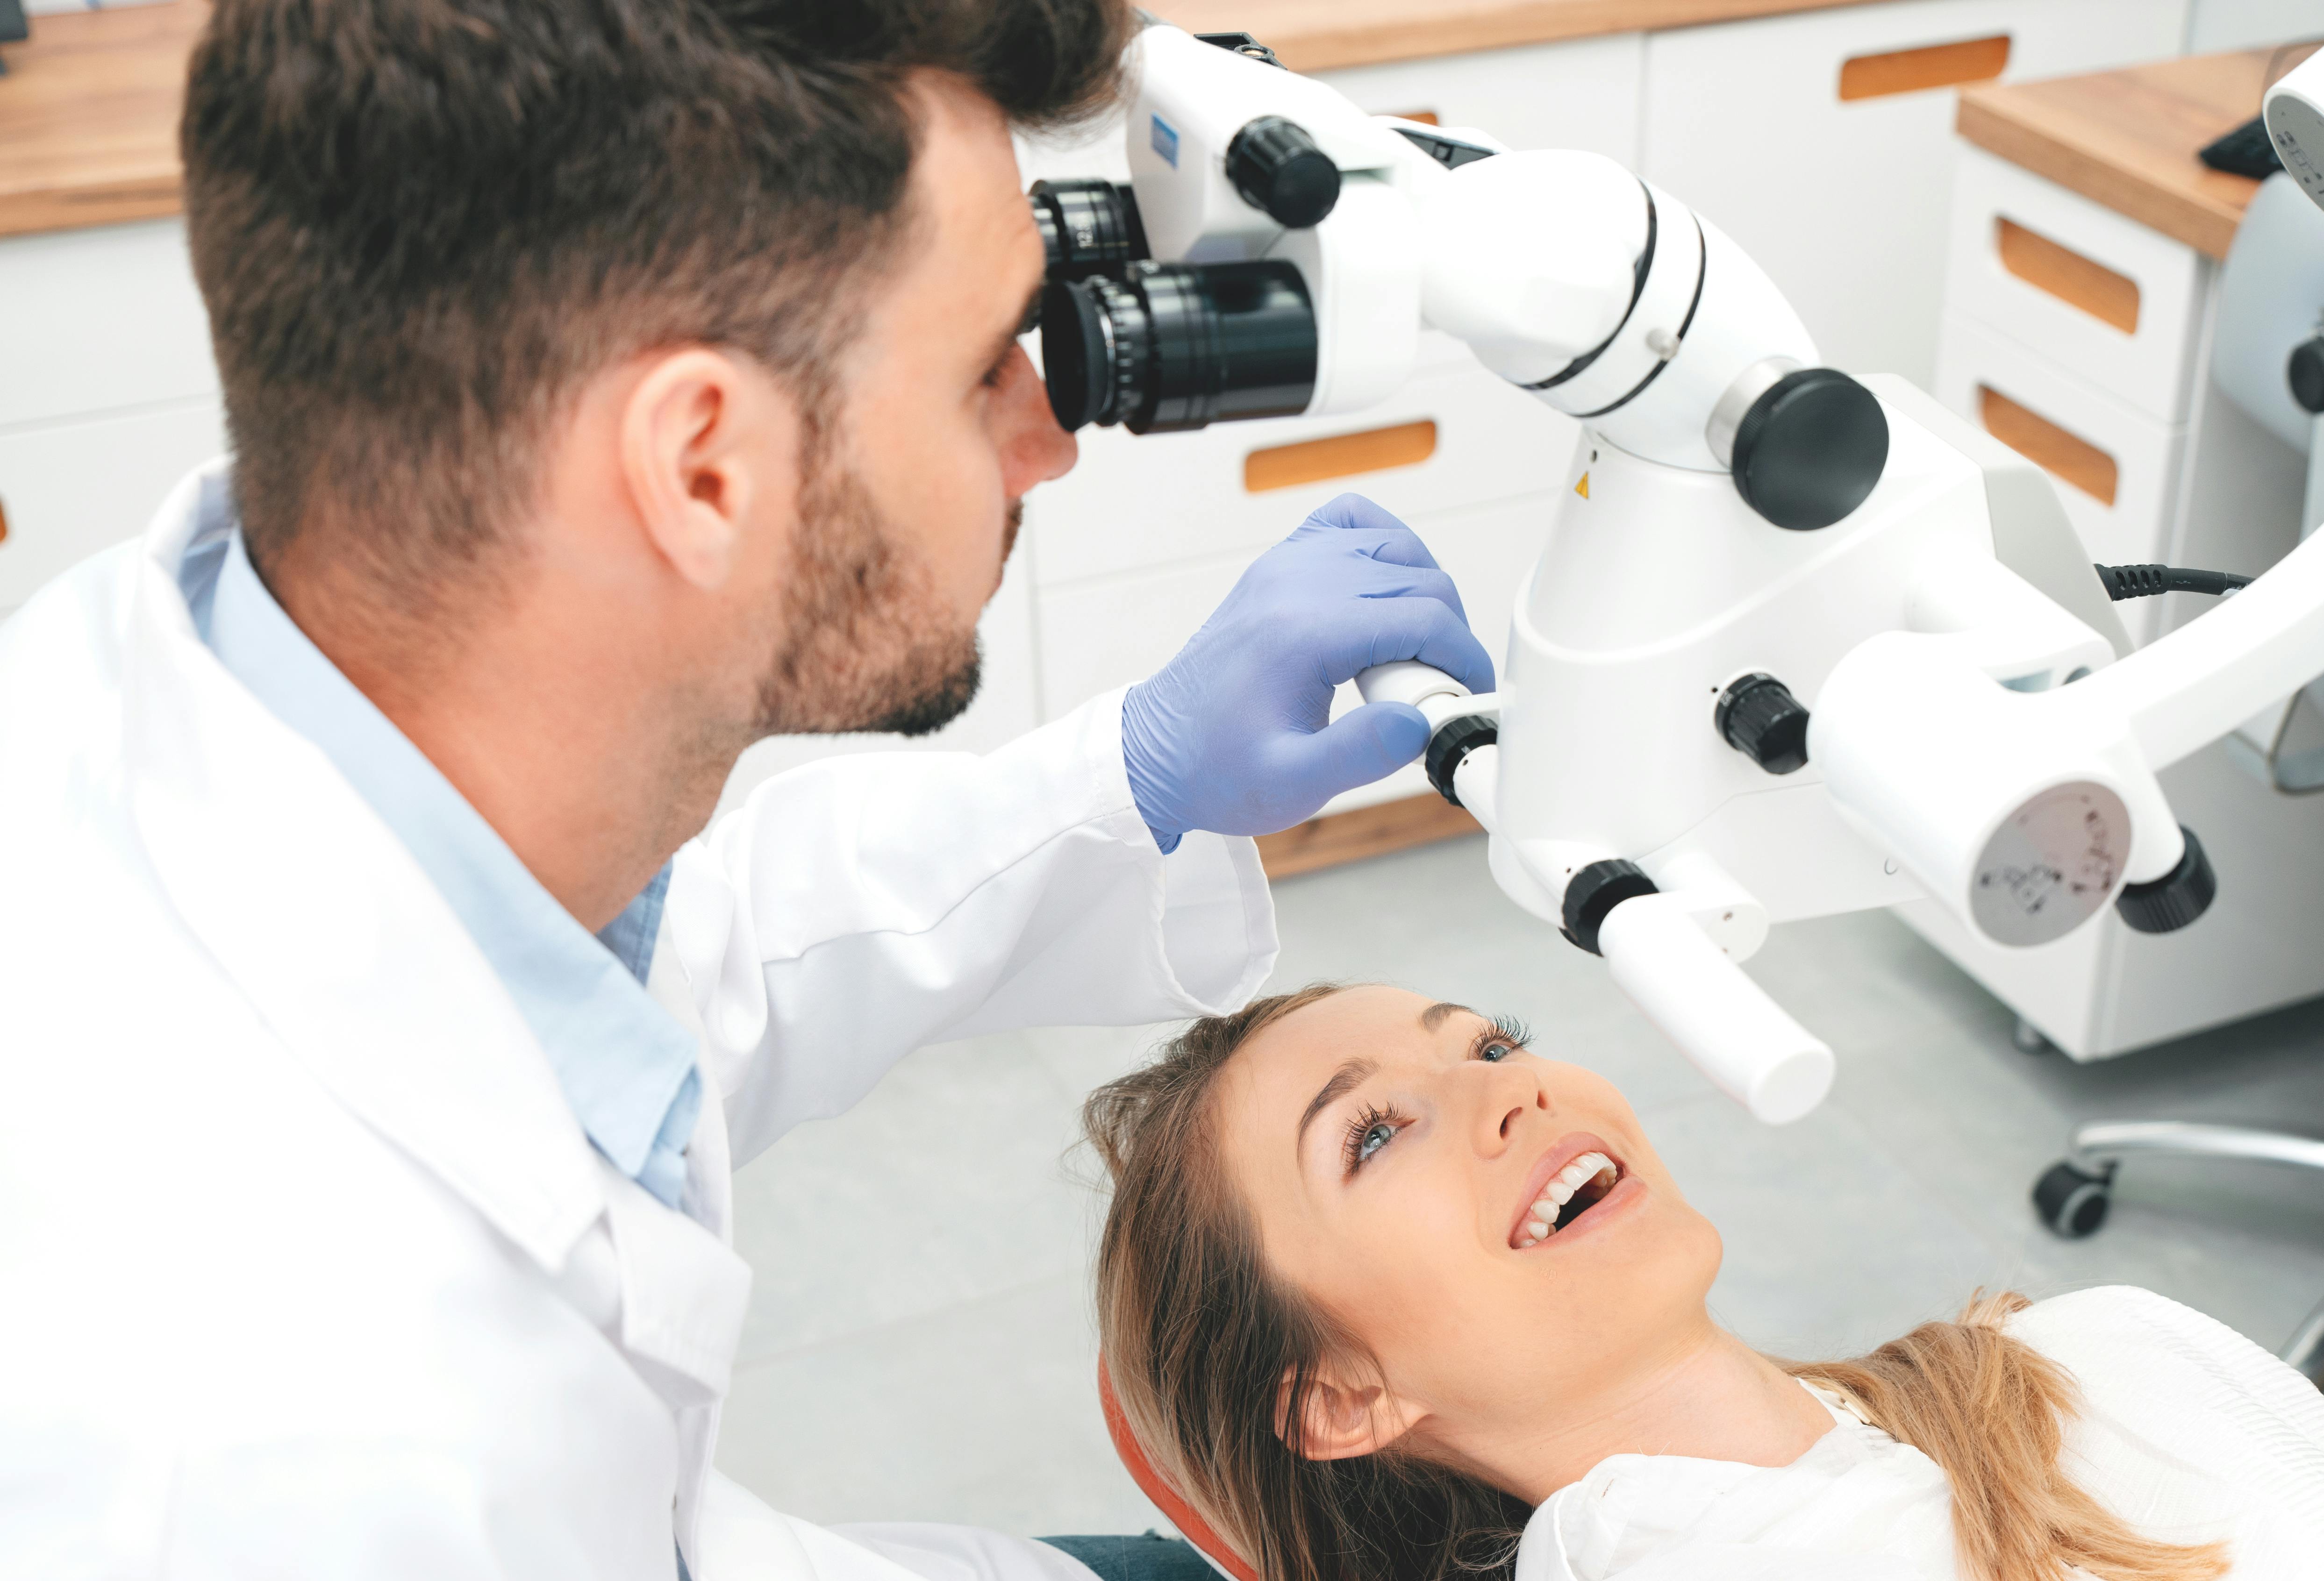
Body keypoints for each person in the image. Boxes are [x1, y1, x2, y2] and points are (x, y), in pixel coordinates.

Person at [0, 3, 1488, 1579]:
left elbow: (679, 960)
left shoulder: (232, 676)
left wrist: (1139, 781)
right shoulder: (299, 1468)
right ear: (701, 467)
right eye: (985, 361)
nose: (1047, 435)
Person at [1085, 985, 2324, 1581]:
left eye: (1489, 1041)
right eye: (1377, 1131)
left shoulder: (2083, 1361)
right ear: (1343, 1396)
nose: (1513, 1092)